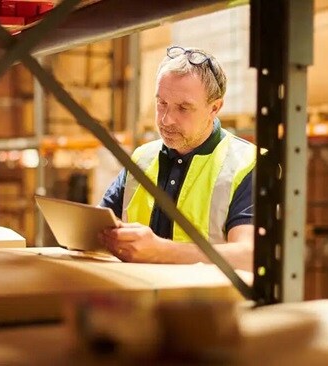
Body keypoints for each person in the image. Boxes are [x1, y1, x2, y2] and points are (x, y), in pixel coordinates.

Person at [98, 46, 256, 271]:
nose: (166, 119)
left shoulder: (246, 164)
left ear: (214, 108)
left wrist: (160, 251)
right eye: (161, 103)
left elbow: (249, 256)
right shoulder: (143, 158)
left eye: (183, 108)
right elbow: (96, 229)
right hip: (139, 298)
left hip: (209, 304)